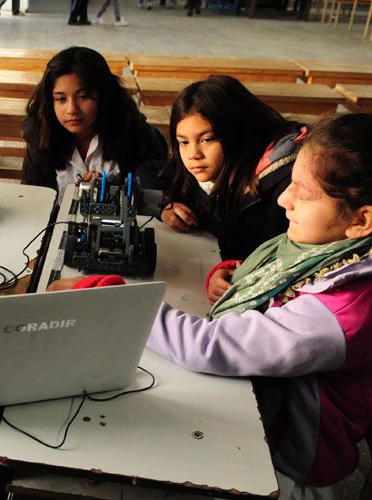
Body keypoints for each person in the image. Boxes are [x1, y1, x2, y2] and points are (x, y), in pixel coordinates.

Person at [52, 113, 372, 499]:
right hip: (263, 428)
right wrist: (231, 275)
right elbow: (278, 279)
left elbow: (209, 346)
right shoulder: (336, 253)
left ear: (360, 219)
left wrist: (109, 295)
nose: (285, 199)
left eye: (303, 193)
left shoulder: (344, 311)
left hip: (287, 472)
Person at [160, 75, 306, 303]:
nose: (193, 154)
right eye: (183, 142)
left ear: (236, 133)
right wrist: (168, 206)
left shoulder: (286, 185)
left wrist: (234, 272)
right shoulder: (209, 166)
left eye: (207, 139)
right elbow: (169, 179)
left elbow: (286, 260)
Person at [21, 46, 167, 200]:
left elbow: (155, 197)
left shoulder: (136, 133)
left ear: (103, 95)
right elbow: (33, 197)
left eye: (83, 96)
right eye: (61, 99)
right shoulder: (41, 134)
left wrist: (112, 186)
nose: (71, 109)